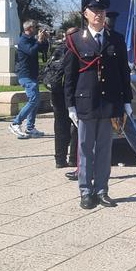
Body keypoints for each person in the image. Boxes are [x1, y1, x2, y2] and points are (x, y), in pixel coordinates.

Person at [64, 0, 133, 209]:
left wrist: (127, 101)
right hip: (85, 102)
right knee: (85, 148)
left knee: (105, 149)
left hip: (109, 102)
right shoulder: (75, 40)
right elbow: (70, 75)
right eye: (94, 10)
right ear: (85, 14)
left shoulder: (116, 39)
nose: (99, 15)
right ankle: (85, 191)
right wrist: (70, 105)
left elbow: (124, 72)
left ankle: (102, 190)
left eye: (102, 11)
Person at [9, 20, 50, 139]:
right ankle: (15, 123)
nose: (37, 29)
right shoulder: (23, 41)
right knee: (33, 99)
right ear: (29, 28)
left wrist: (44, 40)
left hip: (33, 75)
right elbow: (32, 51)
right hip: (25, 75)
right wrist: (38, 41)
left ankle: (30, 128)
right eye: (35, 27)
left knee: (35, 101)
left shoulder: (32, 40)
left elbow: (42, 50)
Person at [45, 27, 79, 168]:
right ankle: (73, 158)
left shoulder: (58, 49)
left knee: (60, 126)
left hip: (57, 92)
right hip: (72, 92)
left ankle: (59, 159)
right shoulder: (76, 51)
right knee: (77, 126)